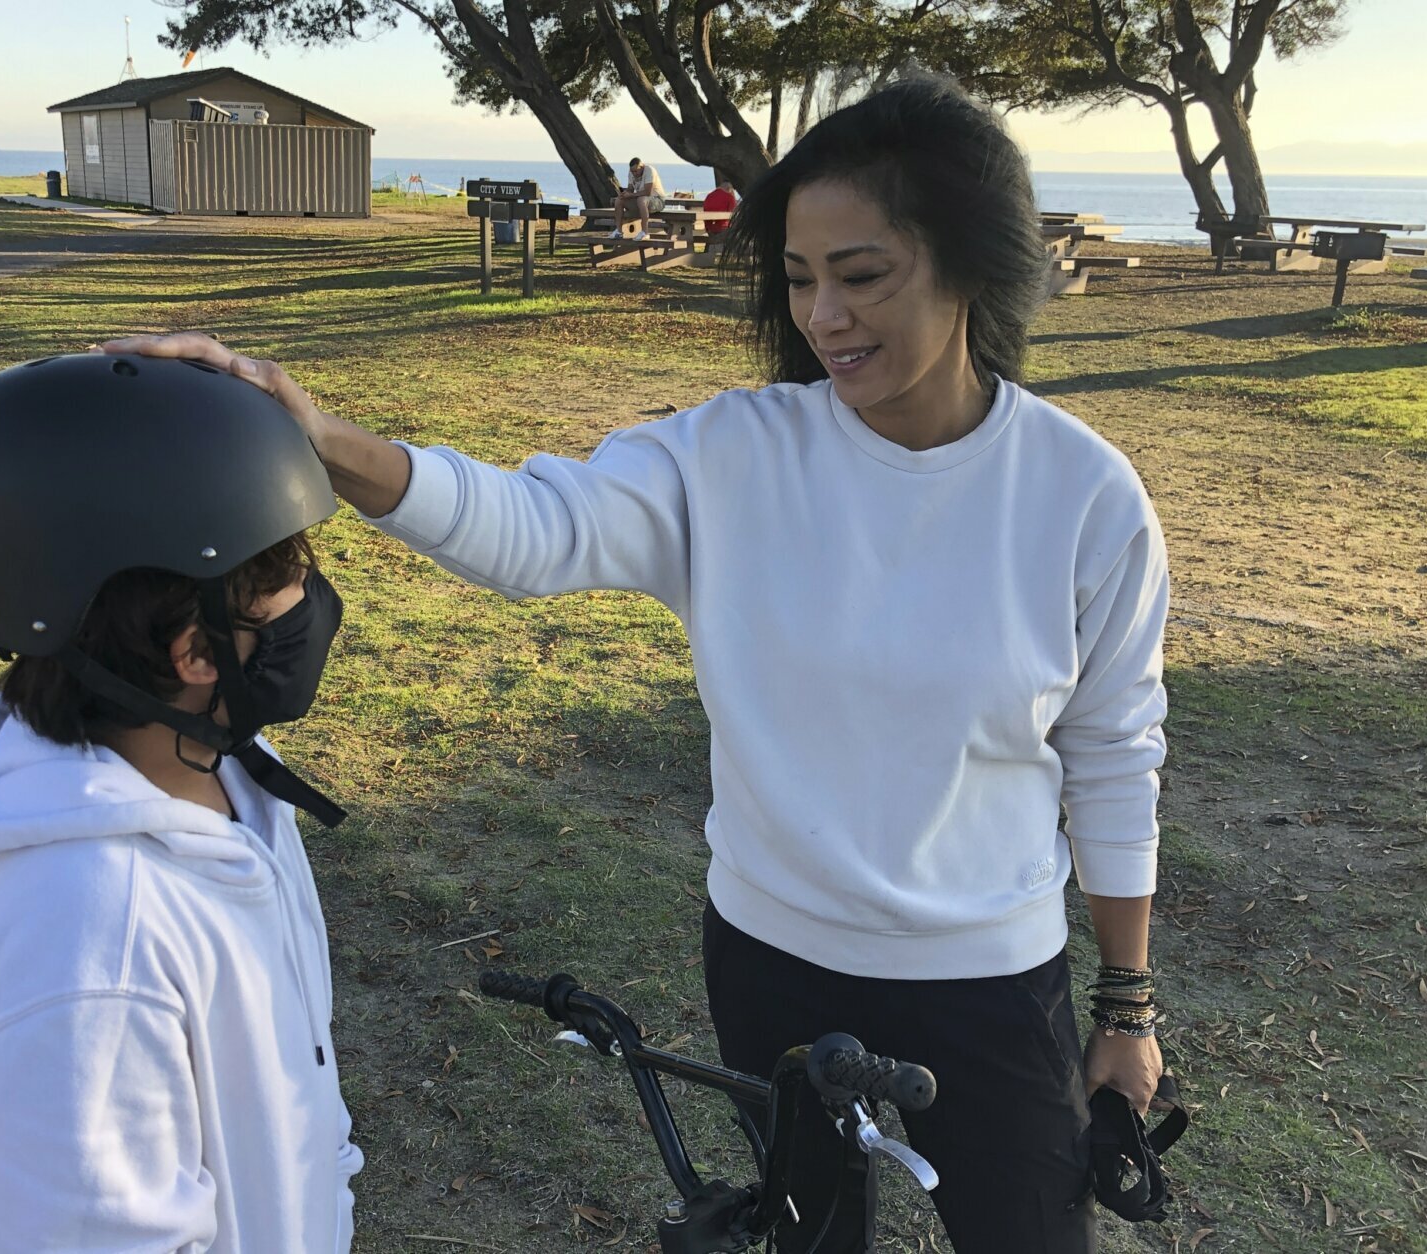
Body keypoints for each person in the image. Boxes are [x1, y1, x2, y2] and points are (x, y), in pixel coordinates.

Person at [106, 71, 1170, 1254]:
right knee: (809, 1239)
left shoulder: (1081, 497)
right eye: (798, 279)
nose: (823, 317)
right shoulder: (732, 456)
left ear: (970, 265)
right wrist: (323, 442)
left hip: (989, 980)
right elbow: (534, 525)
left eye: (862, 275)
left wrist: (1125, 1006)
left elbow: (1111, 753)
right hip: (772, 962)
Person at [0, 353, 363, 1253]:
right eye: (283, 579)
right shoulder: (91, 943)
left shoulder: (229, 774)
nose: (308, 603)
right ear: (195, 653)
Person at [609, 156, 665, 241]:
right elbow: (631, 189)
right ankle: (619, 231)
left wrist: (631, 195)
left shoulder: (649, 170)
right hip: (641, 201)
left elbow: (648, 192)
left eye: (636, 171)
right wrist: (624, 193)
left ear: (641, 167)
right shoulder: (631, 173)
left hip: (657, 200)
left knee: (641, 199)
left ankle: (645, 232)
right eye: (632, 171)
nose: (634, 173)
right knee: (619, 200)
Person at [701, 170, 738, 236]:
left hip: (710, 229)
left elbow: (705, 210)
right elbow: (733, 214)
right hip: (724, 229)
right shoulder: (729, 197)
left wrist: (708, 229)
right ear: (729, 188)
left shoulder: (709, 196)